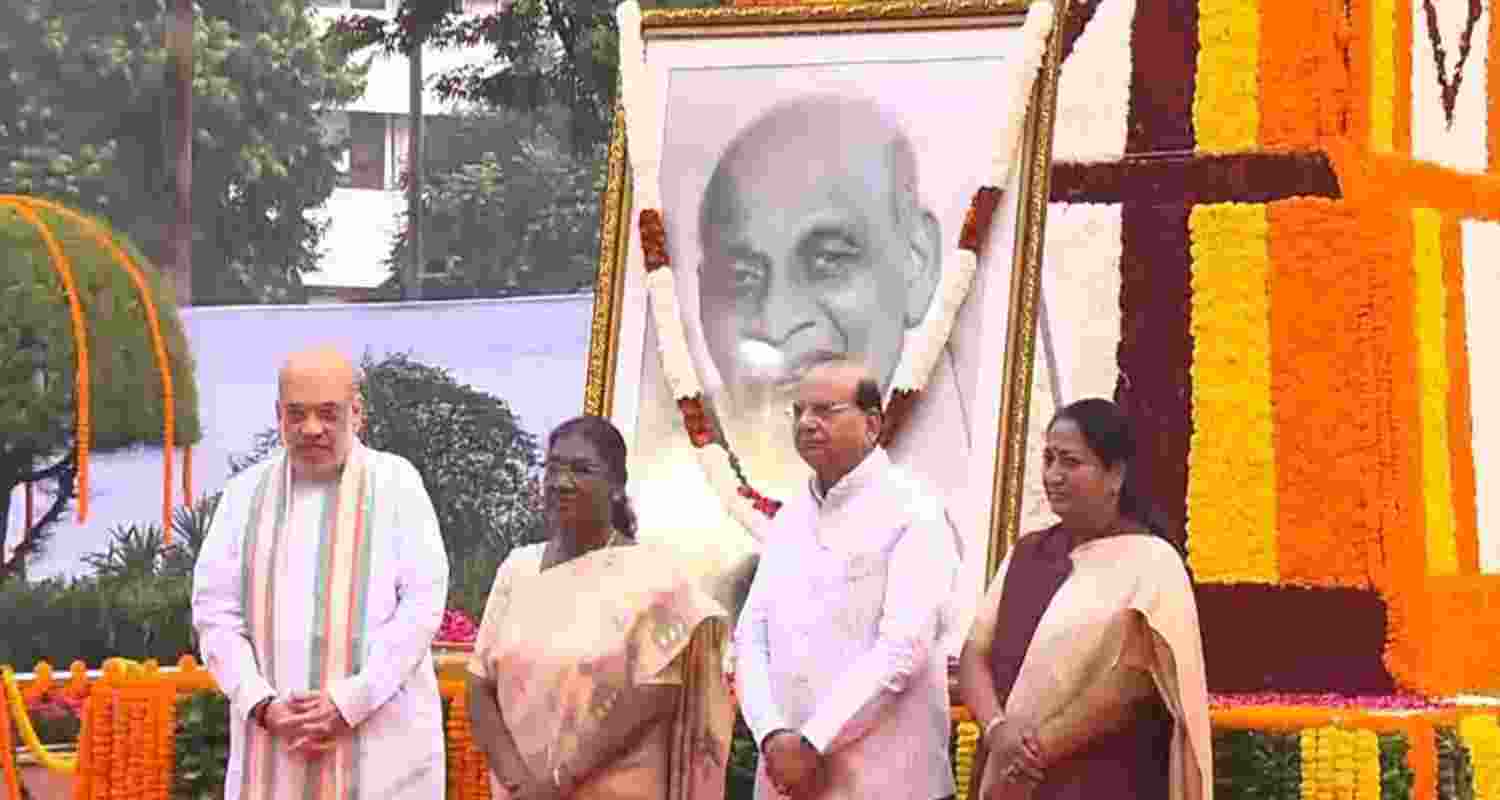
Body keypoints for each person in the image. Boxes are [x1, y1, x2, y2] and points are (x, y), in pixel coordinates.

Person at [191, 346, 450, 800]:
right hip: (274, 748)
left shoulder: (397, 484)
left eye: (328, 413)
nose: (311, 428)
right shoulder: (243, 495)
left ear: (357, 413)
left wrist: (350, 701)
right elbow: (214, 613)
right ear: (278, 415)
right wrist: (262, 703)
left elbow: (422, 607)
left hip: (380, 750)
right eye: (297, 414)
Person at [466, 415, 736, 800]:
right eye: (553, 468)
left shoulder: (654, 574)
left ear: (616, 487)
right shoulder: (516, 569)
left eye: (581, 470)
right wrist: (519, 783)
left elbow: (653, 696)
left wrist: (559, 782)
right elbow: (479, 685)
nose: (561, 482)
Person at [956, 398, 1212, 800]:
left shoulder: (1152, 561)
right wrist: (997, 730)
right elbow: (974, 653)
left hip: (1099, 780)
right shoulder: (1026, 553)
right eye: (1048, 459)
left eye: (1070, 462)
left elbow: (1137, 680)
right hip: (1006, 772)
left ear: (1115, 476)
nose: (1053, 475)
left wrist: (1034, 754)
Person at [734, 358, 960, 800]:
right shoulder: (790, 517)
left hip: (886, 781)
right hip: (787, 777)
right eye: (799, 412)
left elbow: (903, 649)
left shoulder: (915, 509)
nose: (806, 423)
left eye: (825, 411)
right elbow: (751, 636)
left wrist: (812, 741)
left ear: (872, 424)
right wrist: (772, 734)